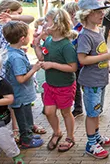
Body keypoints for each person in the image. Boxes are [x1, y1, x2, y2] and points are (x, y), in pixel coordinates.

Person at [75, 0, 110, 159]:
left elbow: (98, 52)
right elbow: (82, 59)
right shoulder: (85, 35)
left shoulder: (98, 31)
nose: (102, 14)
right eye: (97, 11)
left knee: (97, 111)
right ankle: (91, 143)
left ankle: (96, 136)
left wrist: (107, 68)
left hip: (99, 79)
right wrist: (106, 57)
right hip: (91, 81)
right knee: (92, 113)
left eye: (102, 10)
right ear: (87, 14)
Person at [35, 9, 78, 152]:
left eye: (47, 21)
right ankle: (57, 132)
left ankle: (70, 137)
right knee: (49, 111)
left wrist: (52, 65)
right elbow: (42, 57)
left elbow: (73, 67)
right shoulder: (48, 40)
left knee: (66, 112)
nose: (44, 24)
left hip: (64, 86)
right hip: (51, 84)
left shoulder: (66, 46)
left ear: (57, 24)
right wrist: (36, 45)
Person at [0, 20, 42, 149]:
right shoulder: (16, 57)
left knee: (27, 116)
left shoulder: (13, 52)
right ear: (22, 39)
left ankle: (28, 134)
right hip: (20, 95)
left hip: (21, 95)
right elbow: (20, 79)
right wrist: (34, 69)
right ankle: (26, 140)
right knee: (23, 118)